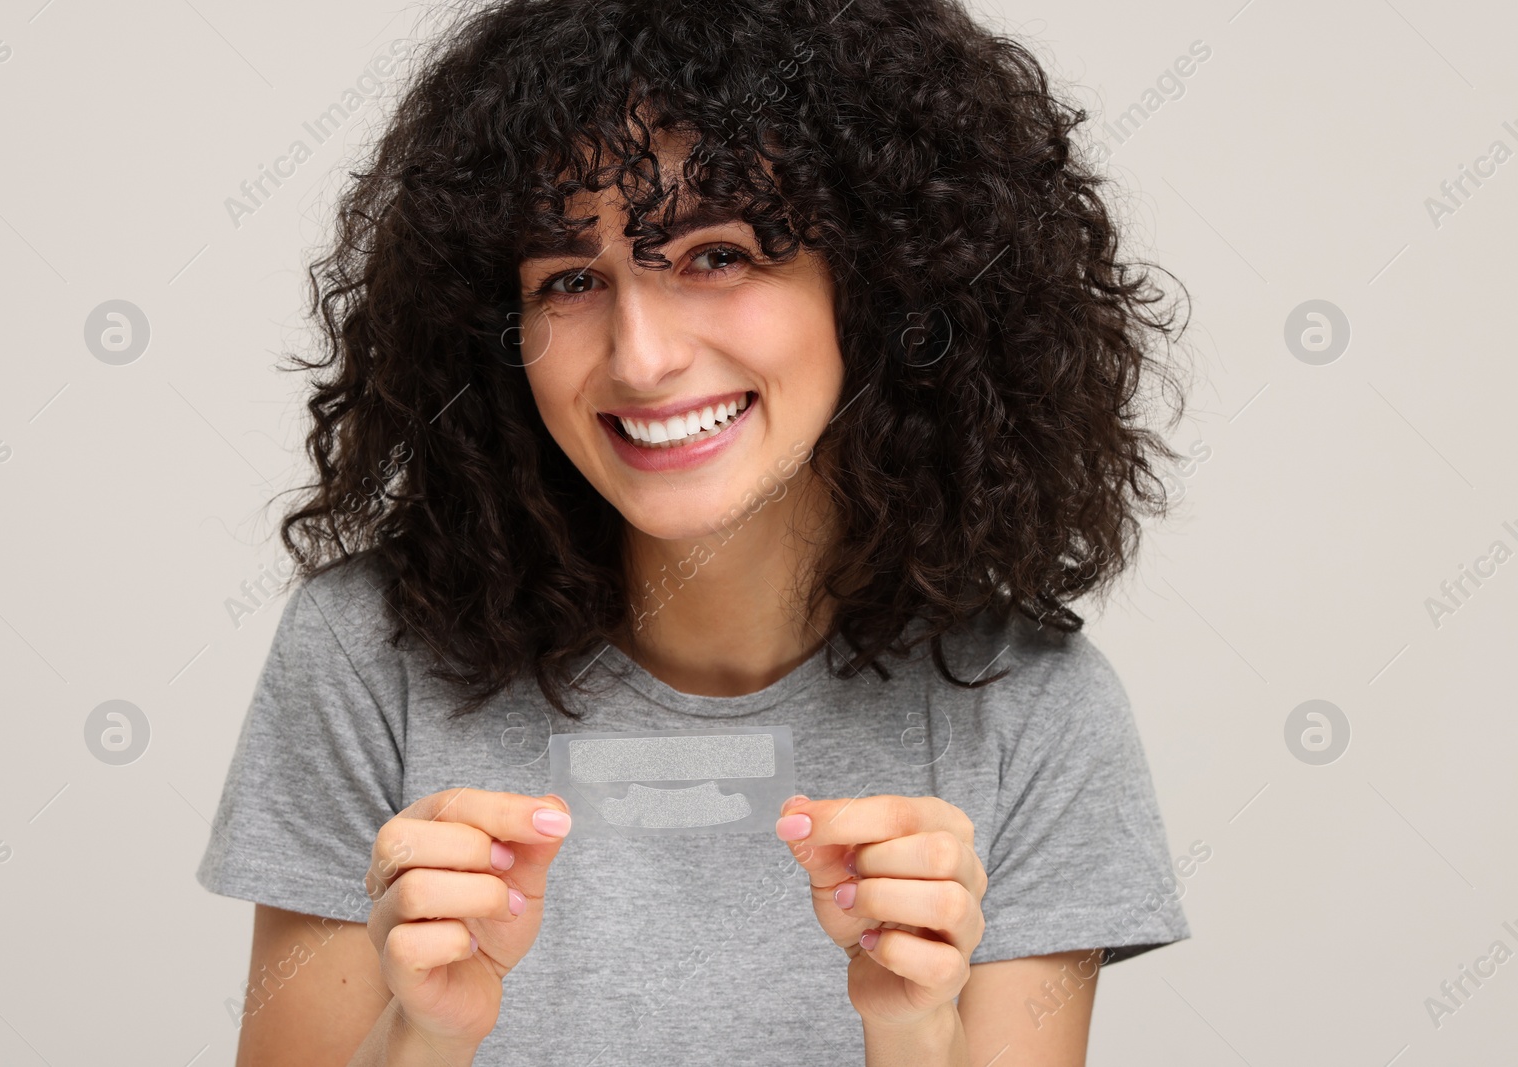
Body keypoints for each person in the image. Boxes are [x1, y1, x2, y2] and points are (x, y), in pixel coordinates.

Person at [195, 0, 1195, 1063]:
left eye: (715, 255)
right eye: (569, 280)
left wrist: (910, 1027)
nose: (640, 357)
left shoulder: (1030, 713)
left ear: (880, 283)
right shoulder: (366, 658)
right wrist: (427, 1031)